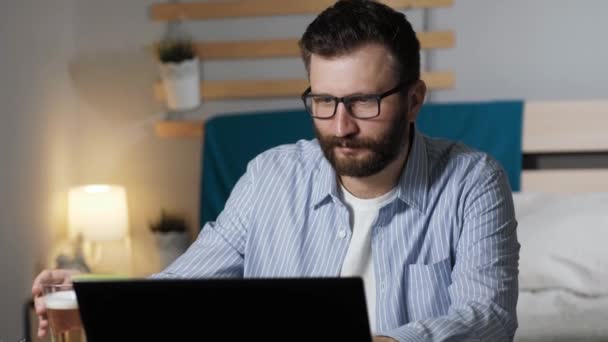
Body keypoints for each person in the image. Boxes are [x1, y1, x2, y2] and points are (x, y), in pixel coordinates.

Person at [32, 0, 520, 341]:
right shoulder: (270, 176)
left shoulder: (472, 182)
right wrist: (95, 297)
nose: (340, 126)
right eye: (323, 101)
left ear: (414, 99)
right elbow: (181, 290)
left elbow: (488, 317)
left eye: (363, 102)